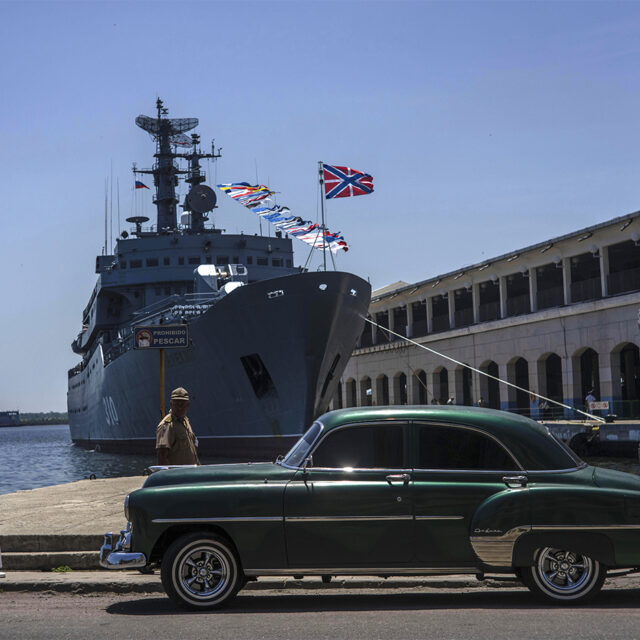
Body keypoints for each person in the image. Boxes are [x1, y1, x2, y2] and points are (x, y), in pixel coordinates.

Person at [156, 387, 200, 465]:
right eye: (176, 404)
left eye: (182, 405)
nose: (179, 408)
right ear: (171, 404)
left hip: (190, 473)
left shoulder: (185, 421)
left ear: (188, 405)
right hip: (178, 475)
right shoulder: (167, 425)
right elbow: (162, 455)